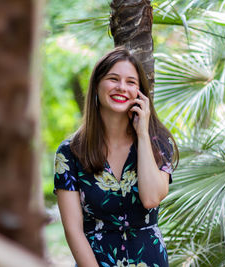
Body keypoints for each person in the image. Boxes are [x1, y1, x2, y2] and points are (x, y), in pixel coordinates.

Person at [53, 47, 178, 267]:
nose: (121, 87)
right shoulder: (69, 152)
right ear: (97, 85)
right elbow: (73, 230)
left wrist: (142, 133)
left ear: (140, 93)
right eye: (113, 79)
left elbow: (151, 199)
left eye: (131, 82)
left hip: (149, 261)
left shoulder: (158, 142)